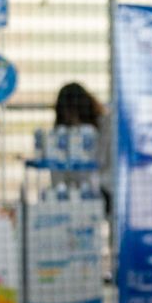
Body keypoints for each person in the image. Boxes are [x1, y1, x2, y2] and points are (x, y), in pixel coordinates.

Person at [53, 80, 114, 209]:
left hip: (105, 190)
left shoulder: (106, 125)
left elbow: (101, 162)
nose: (71, 119)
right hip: (78, 193)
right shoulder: (64, 133)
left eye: (72, 113)